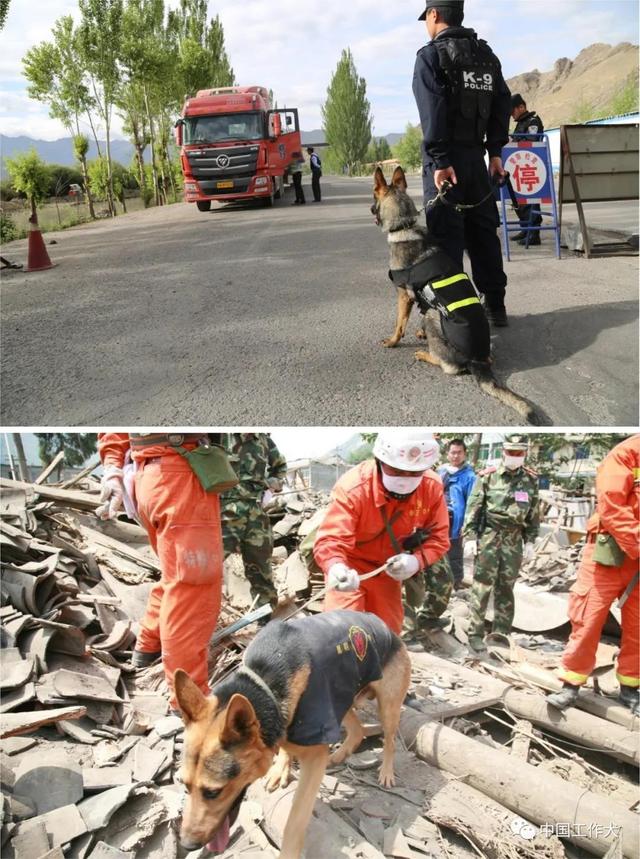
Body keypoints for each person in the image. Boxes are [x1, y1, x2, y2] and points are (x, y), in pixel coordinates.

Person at [96, 433, 224, 710]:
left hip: (154, 474)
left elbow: (114, 432)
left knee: (175, 577)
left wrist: (112, 468)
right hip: (178, 473)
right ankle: (192, 702)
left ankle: (148, 646)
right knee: (194, 587)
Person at [413, 0, 512, 327]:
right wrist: (495, 152)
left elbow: (434, 111)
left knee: (446, 238)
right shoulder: (487, 56)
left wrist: (440, 160)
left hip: (446, 165)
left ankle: (457, 317)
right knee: (483, 232)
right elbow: (502, 103)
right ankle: (495, 307)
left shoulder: (430, 57)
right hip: (477, 161)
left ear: (434, 15)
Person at [313, 430, 450, 634]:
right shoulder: (354, 487)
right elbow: (331, 539)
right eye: (396, 470)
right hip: (351, 567)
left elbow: (439, 538)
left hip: (389, 570)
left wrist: (417, 561)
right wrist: (335, 567)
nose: (405, 479)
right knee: (340, 633)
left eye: (414, 473)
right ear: (379, 461)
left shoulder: (430, 487)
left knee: (388, 635)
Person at [547, 435, 639, 715]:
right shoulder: (626, 454)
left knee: (639, 628)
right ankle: (571, 684)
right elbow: (612, 506)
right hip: (608, 551)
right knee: (588, 618)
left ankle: (630, 688)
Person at [462, 436, 539, 652]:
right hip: (490, 537)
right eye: (510, 452)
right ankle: (475, 634)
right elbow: (474, 507)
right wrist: (470, 537)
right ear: (503, 452)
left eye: (519, 453)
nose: (514, 457)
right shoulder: (488, 478)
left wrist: (531, 541)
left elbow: (533, 514)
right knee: (482, 586)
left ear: (525, 453)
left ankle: (501, 634)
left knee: (506, 587)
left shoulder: (531, 480)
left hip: (513, 540)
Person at [221, 433, 288, 609]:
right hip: (223, 513)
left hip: (255, 514)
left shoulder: (264, 441)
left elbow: (280, 467)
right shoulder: (220, 436)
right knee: (208, 568)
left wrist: (272, 484)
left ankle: (265, 621)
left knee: (262, 573)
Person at [438, 438, 476, 587]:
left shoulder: (470, 477)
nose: (456, 456)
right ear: (448, 454)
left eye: (459, 453)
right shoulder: (440, 472)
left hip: (456, 521)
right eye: (453, 452)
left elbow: (473, 504)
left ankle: (455, 584)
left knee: (454, 554)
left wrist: (466, 525)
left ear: (465, 454)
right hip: (438, 519)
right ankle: (438, 583)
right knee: (436, 550)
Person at [510, 93, 544, 246]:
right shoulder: (521, 123)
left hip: (530, 168)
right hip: (519, 168)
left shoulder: (532, 121)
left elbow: (531, 141)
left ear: (521, 107)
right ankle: (525, 228)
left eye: (513, 111)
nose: (512, 115)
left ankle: (534, 234)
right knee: (520, 202)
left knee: (531, 202)